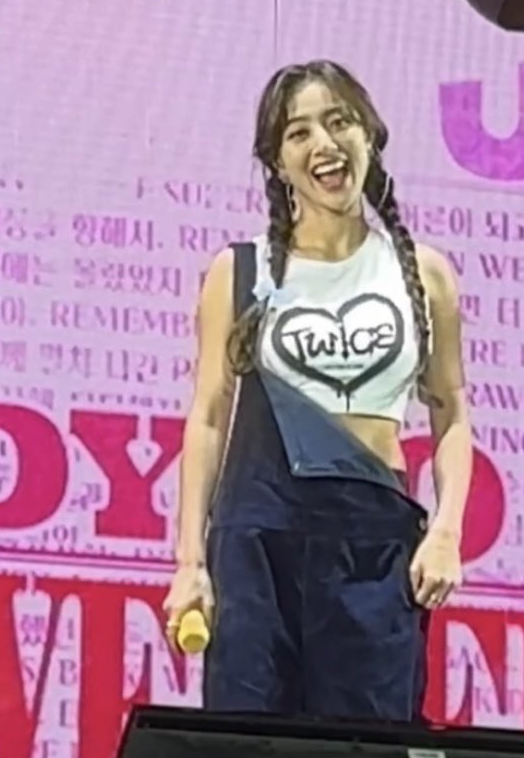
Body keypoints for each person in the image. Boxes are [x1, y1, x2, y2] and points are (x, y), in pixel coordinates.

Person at [164, 60, 473, 720]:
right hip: (257, 546)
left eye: (338, 122)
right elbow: (208, 417)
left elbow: (450, 413)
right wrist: (190, 562)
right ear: (277, 162)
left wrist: (446, 530)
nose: (324, 145)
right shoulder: (238, 271)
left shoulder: (424, 274)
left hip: (373, 546)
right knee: (252, 757)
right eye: (298, 132)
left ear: (370, 136)